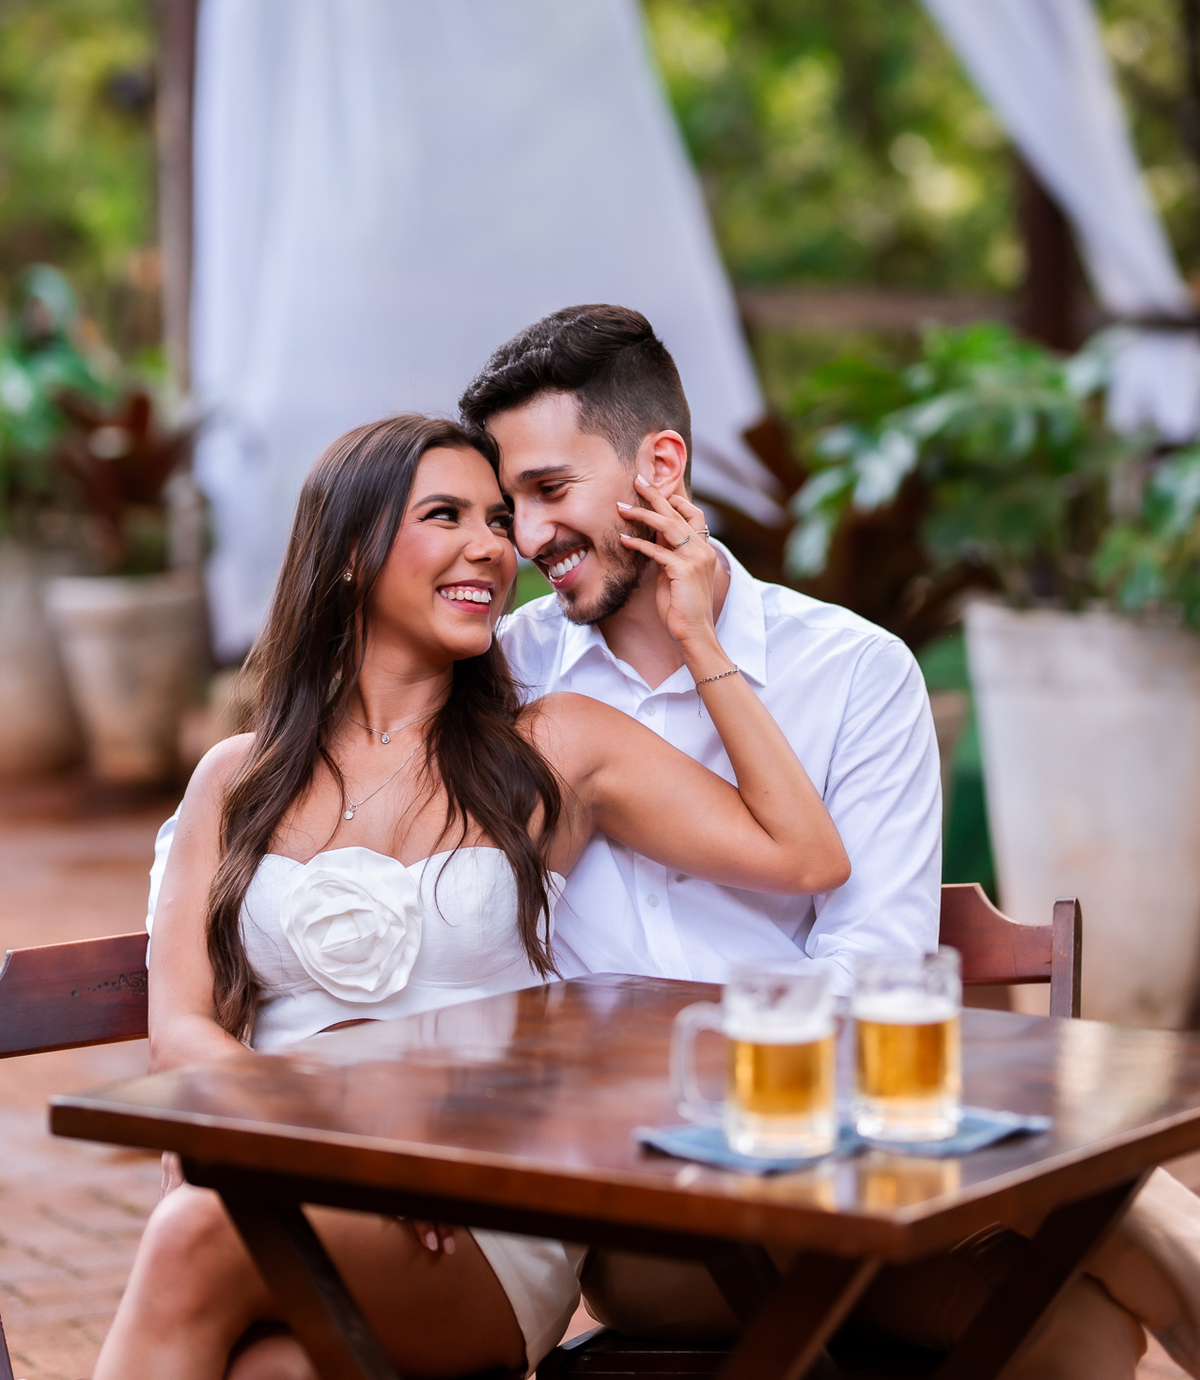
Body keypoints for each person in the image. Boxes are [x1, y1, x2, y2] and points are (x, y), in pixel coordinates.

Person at [458, 303, 1200, 1380]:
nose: (526, 541)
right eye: (508, 502)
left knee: (1074, 1334)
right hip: (638, 1211)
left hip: (847, 1172)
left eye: (549, 491)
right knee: (1110, 1195)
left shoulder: (854, 672)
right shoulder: (504, 682)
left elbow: (878, 966)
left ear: (661, 465)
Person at [102, 412, 850, 1380]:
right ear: (346, 555)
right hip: (292, 1167)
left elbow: (803, 854)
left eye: (498, 521)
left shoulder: (554, 746)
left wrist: (696, 633)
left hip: (473, 1219)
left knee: (195, 1226)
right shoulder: (235, 777)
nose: (493, 547)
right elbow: (182, 1031)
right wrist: (356, 1137)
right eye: (446, 514)